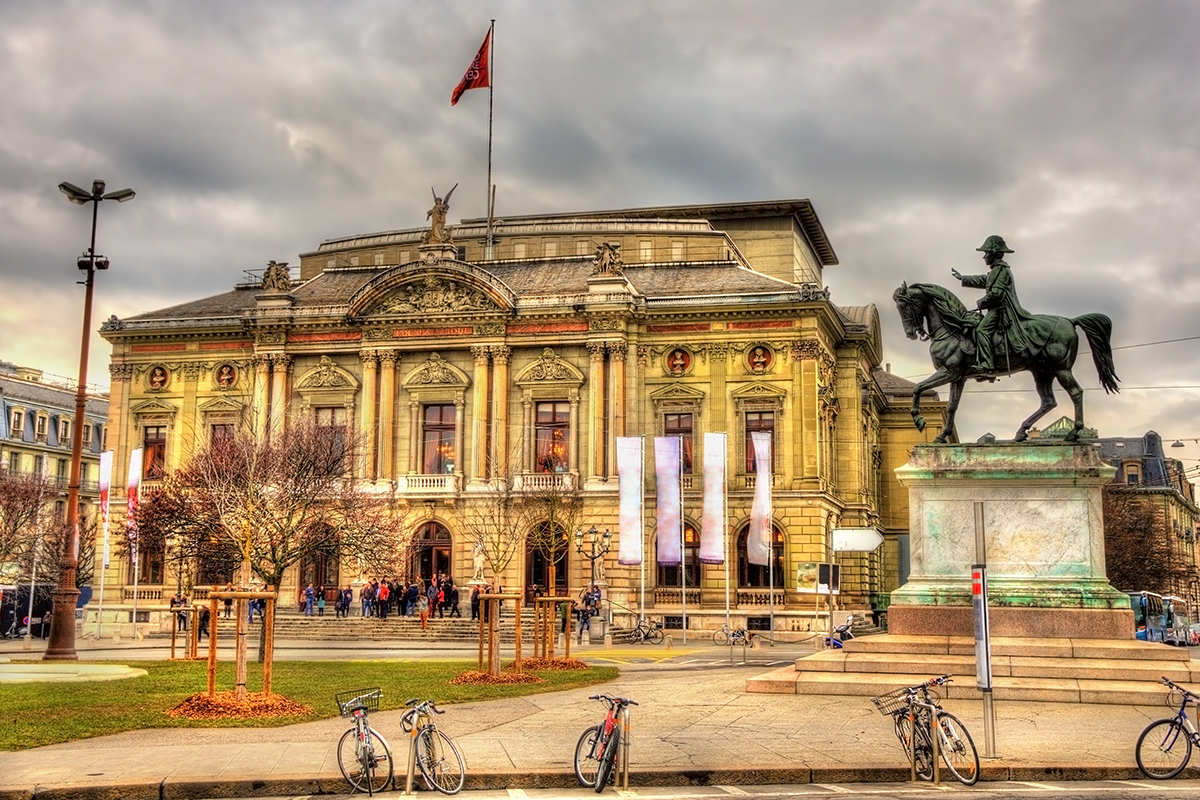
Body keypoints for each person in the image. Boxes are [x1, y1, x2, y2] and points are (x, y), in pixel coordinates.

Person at [952, 235, 1036, 374]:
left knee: (981, 330)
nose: (984, 257)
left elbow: (996, 294)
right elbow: (985, 280)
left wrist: (980, 303)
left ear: (993, 253)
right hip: (997, 309)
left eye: (986, 253)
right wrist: (963, 278)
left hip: (1002, 310)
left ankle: (987, 364)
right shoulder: (997, 270)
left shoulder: (1001, 270)